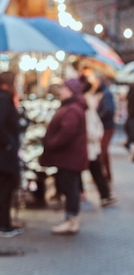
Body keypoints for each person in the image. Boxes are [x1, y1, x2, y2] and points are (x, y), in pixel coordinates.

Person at [39, 78, 89, 235]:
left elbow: (67, 133)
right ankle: (70, 218)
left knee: (70, 187)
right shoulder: (72, 107)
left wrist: (51, 143)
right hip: (69, 157)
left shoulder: (72, 109)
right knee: (69, 187)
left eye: (64, 88)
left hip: (70, 157)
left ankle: (71, 220)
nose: (61, 91)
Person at [79, 73, 116, 207]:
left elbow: (105, 112)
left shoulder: (100, 96)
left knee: (98, 160)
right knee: (96, 164)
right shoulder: (91, 98)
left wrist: (96, 133)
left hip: (92, 139)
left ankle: (102, 192)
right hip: (93, 139)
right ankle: (104, 193)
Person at [0, 71, 24, 238]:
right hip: (4, 155)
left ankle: (5, 223)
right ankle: (4, 224)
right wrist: (7, 143)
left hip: (5, 152)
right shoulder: (3, 99)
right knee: (5, 190)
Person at [95, 75, 116, 183]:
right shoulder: (104, 93)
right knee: (104, 151)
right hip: (106, 126)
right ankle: (107, 175)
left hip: (106, 126)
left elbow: (108, 110)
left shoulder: (106, 94)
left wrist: (98, 117)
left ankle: (103, 176)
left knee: (102, 151)